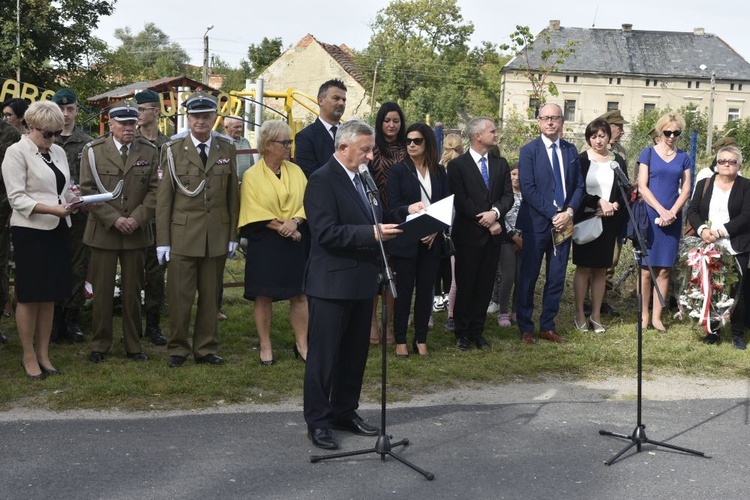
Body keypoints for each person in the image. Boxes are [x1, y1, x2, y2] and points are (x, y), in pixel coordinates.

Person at [302, 119, 402, 450]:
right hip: (331, 284)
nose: (371, 156)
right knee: (324, 358)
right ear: (343, 148)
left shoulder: (364, 178)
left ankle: (345, 411)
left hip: (362, 282)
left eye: (371, 149)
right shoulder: (321, 181)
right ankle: (318, 421)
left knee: (354, 355)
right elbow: (326, 233)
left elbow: (376, 215)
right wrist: (371, 233)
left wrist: (406, 212)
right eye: (365, 150)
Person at [156, 91, 240, 368]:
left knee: (209, 296)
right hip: (182, 234)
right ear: (188, 118)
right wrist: (163, 241)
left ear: (215, 118)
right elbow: (164, 199)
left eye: (206, 116)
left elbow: (233, 197)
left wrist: (232, 236)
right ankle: (177, 348)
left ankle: (205, 347)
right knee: (179, 296)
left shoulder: (226, 148)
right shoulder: (172, 149)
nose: (201, 121)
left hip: (216, 233)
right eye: (195, 116)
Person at [2, 101, 78, 378]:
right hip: (30, 230)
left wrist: (76, 200)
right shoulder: (15, 152)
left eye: (57, 133)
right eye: (48, 133)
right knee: (30, 295)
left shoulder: (57, 151)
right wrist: (52, 209)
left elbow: (62, 190)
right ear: (31, 126)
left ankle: (44, 354)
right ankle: (28, 355)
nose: (53, 139)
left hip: (58, 227)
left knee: (50, 296)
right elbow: (17, 197)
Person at [81, 100, 159, 363]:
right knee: (102, 291)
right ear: (110, 124)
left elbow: (155, 190)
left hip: (136, 231)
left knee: (133, 290)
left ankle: (133, 344)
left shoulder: (148, 150)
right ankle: (100, 344)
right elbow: (87, 190)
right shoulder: (93, 151)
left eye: (132, 123)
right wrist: (115, 219)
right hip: (104, 230)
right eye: (123, 123)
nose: (129, 128)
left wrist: (136, 218)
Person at [238, 120, 309, 365]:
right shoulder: (251, 176)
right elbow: (253, 210)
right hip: (265, 242)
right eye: (285, 142)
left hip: (295, 240)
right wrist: (285, 228)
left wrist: (296, 222)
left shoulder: (296, 171)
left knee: (299, 295)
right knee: (263, 296)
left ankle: (302, 344)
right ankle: (265, 346)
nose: (289, 146)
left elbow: (306, 201)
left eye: (290, 142)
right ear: (268, 145)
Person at [516, 103, 584, 344]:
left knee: (556, 277)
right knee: (529, 276)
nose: (550, 122)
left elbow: (579, 186)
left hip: (564, 224)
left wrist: (569, 212)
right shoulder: (529, 151)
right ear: (538, 122)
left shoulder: (570, 149)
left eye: (555, 118)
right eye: (545, 118)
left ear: (562, 122)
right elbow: (529, 188)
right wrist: (554, 212)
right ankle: (525, 326)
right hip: (537, 224)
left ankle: (547, 326)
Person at [447, 118, 513, 351]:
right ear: (478, 135)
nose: (496, 134)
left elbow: (508, 197)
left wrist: (495, 213)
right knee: (466, 284)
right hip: (468, 236)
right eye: (492, 130)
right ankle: (461, 332)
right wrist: (485, 220)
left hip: (492, 238)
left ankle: (477, 330)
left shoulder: (501, 164)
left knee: (485, 285)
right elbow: (461, 201)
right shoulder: (458, 166)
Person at [386, 123, 450, 357]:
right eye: (408, 141)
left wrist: (435, 229)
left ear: (428, 143)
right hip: (407, 240)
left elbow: (446, 205)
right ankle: (400, 339)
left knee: (425, 291)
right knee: (404, 291)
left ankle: (421, 338)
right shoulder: (398, 170)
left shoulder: (439, 171)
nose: (411, 145)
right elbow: (392, 209)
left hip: (431, 240)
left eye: (417, 141)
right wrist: (409, 208)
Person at [687, 145, 750, 350]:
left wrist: (721, 231)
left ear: (738, 165)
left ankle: (738, 333)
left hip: (736, 245)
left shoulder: (746, 186)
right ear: (716, 163)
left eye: (731, 161)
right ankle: (712, 331)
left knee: (737, 291)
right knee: (712, 289)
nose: (726, 165)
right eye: (722, 161)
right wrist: (703, 229)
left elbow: (746, 216)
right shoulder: (705, 184)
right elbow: (693, 210)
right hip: (708, 244)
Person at [637, 112, 692, 332]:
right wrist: (661, 210)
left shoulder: (684, 157)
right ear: (660, 131)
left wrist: (673, 212)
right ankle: (643, 315)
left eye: (676, 133)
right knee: (646, 269)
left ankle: (657, 317)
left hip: (673, 218)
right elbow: (642, 186)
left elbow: (686, 188)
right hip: (650, 217)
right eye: (668, 132)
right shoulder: (648, 153)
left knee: (664, 270)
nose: (671, 136)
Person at [572, 119, 628, 334]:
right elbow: (577, 190)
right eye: (593, 136)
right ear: (588, 139)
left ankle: (595, 316)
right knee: (584, 267)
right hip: (587, 219)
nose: (598, 140)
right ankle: (579, 313)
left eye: (602, 135)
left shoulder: (617, 161)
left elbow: (625, 190)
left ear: (608, 137)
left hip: (609, 221)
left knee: (601, 270)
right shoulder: (582, 160)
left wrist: (614, 204)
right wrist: (597, 201)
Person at [52, 88, 94, 343]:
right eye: (61, 109)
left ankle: (72, 318)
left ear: (77, 110)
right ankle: (54, 317)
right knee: (55, 263)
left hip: (79, 215)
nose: (66, 114)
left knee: (78, 265)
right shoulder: (45, 140)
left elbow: (93, 178)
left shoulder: (88, 142)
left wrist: (85, 196)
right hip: (51, 213)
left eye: (70, 109)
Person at [368, 101, 407, 345]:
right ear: (380, 122)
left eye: (395, 120)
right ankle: (371, 323)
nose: (391, 125)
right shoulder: (371, 147)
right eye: (386, 120)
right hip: (375, 215)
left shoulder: (408, 148)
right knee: (375, 274)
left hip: (401, 216)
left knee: (394, 274)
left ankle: (388, 325)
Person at [134, 89, 169, 346]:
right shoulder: (130, 141)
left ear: (155, 112)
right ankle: (132, 323)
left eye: (140, 110)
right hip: (136, 217)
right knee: (133, 273)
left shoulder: (168, 145)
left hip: (160, 220)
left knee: (156, 275)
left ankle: (153, 324)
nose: (136, 115)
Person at [294, 79, 346, 178]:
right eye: (336, 98)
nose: (341, 103)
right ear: (320, 100)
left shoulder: (351, 134)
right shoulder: (305, 137)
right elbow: (313, 176)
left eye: (344, 100)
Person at [0, 117, 22, 344]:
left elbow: (15, 177)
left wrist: (10, 208)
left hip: (1, 211)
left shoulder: (10, 134)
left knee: (0, 267)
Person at [439, 133, 463, 333]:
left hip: (442, 225)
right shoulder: (461, 167)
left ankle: (442, 310)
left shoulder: (439, 169)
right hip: (458, 226)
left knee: (435, 272)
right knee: (456, 275)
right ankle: (453, 314)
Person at [495, 162, 523, 328]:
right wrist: (513, 237)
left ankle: (515, 311)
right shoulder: (505, 195)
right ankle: (503, 311)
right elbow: (501, 218)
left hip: (524, 241)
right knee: (508, 277)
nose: (516, 178)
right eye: (513, 174)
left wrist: (522, 239)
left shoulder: (526, 194)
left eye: (519, 174)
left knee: (521, 278)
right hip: (507, 240)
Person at [223, 115, 253, 180]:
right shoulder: (222, 143)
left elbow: (251, 163)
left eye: (241, 127)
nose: (240, 129)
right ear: (226, 128)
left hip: (246, 183)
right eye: (236, 127)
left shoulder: (245, 142)